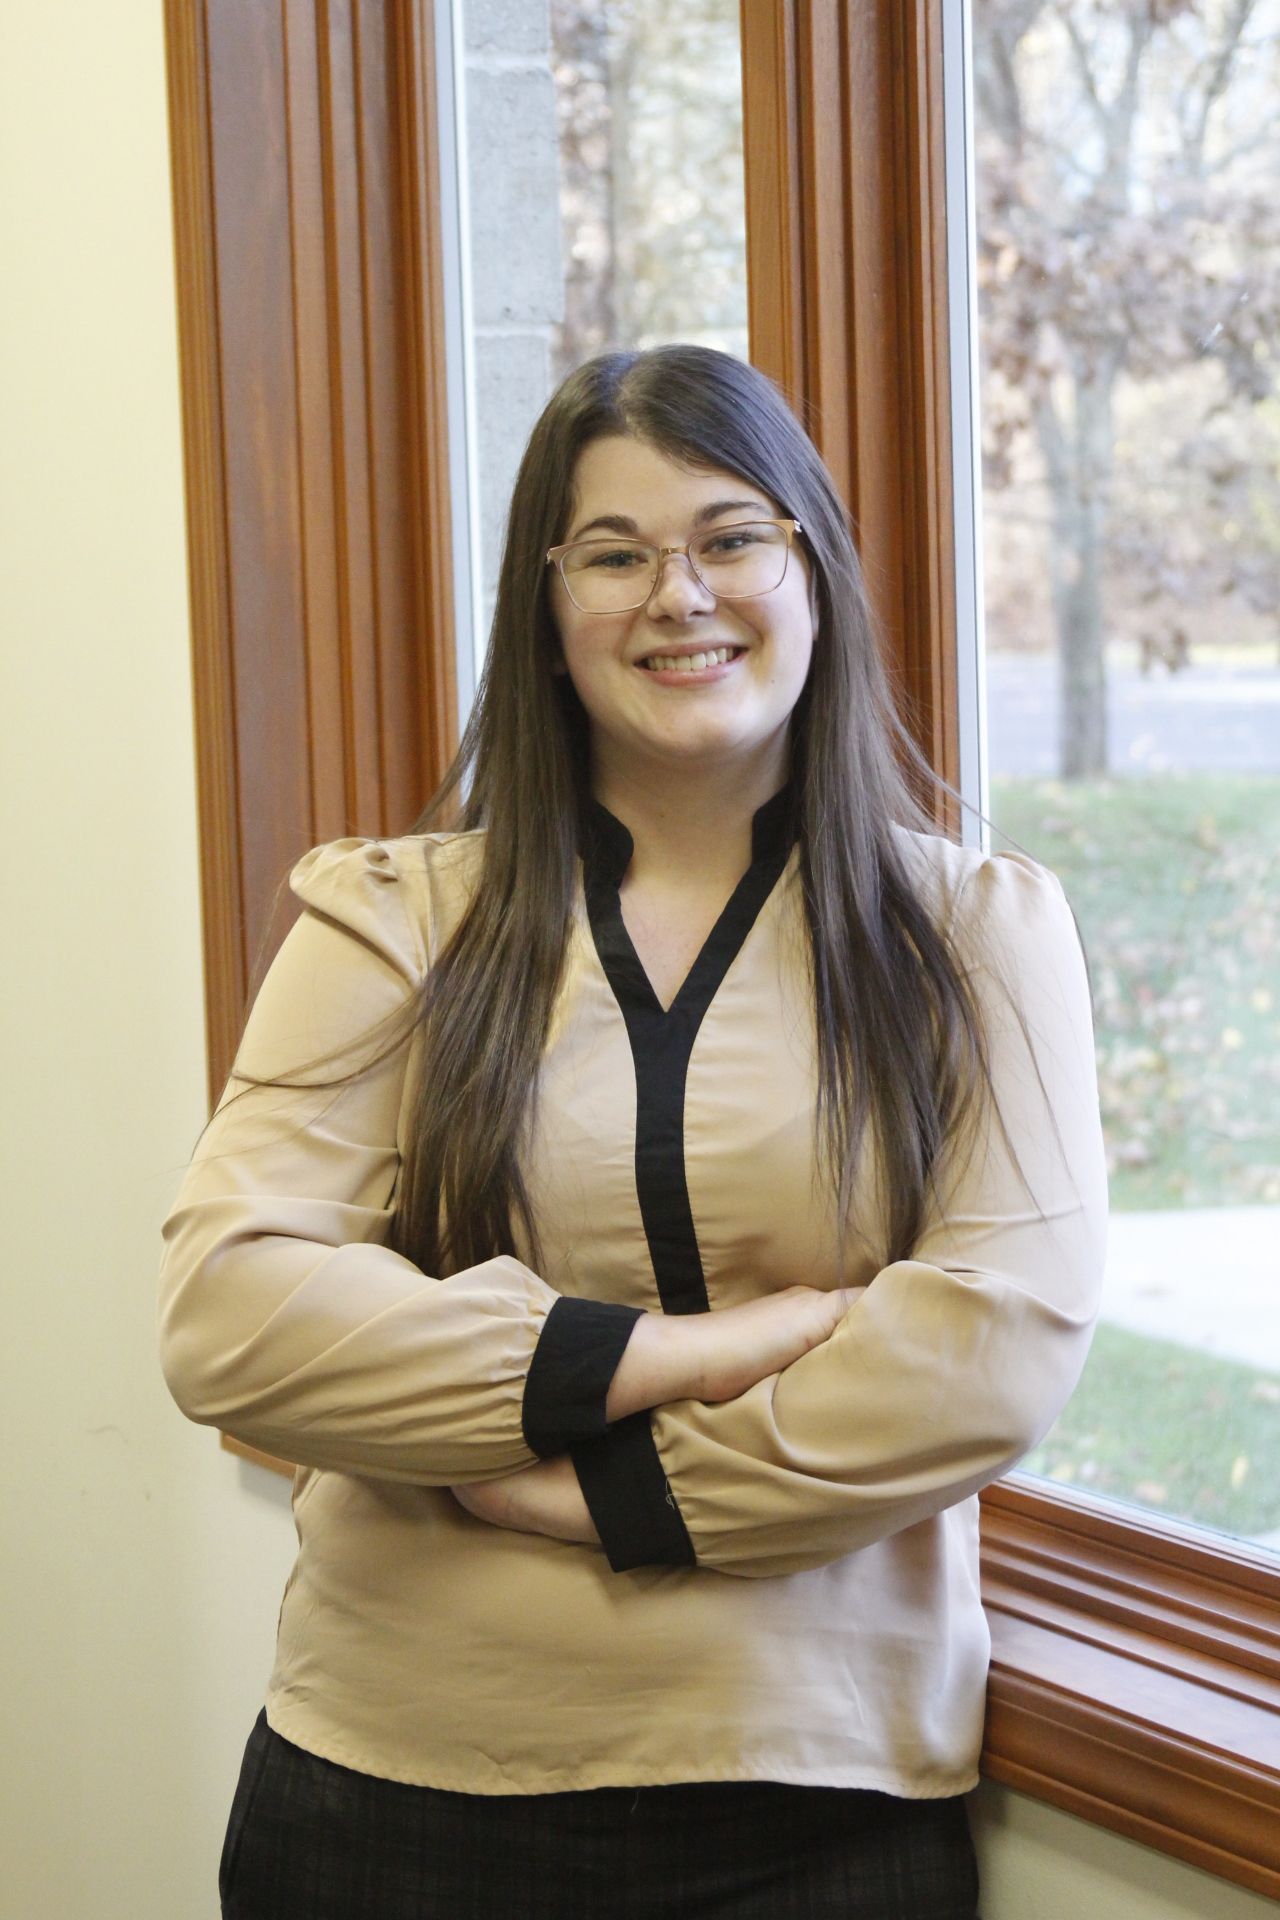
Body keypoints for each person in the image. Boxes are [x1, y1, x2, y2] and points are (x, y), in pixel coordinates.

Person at [159, 344, 1108, 1919]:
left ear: (812, 571)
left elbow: (995, 1352)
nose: (680, 594)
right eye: (614, 553)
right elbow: (229, 1320)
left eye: (732, 537)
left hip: (819, 1810)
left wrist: (580, 1491)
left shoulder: (979, 931)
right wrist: (679, 1352)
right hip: (389, 1799)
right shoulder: (394, 920)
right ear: (545, 608)